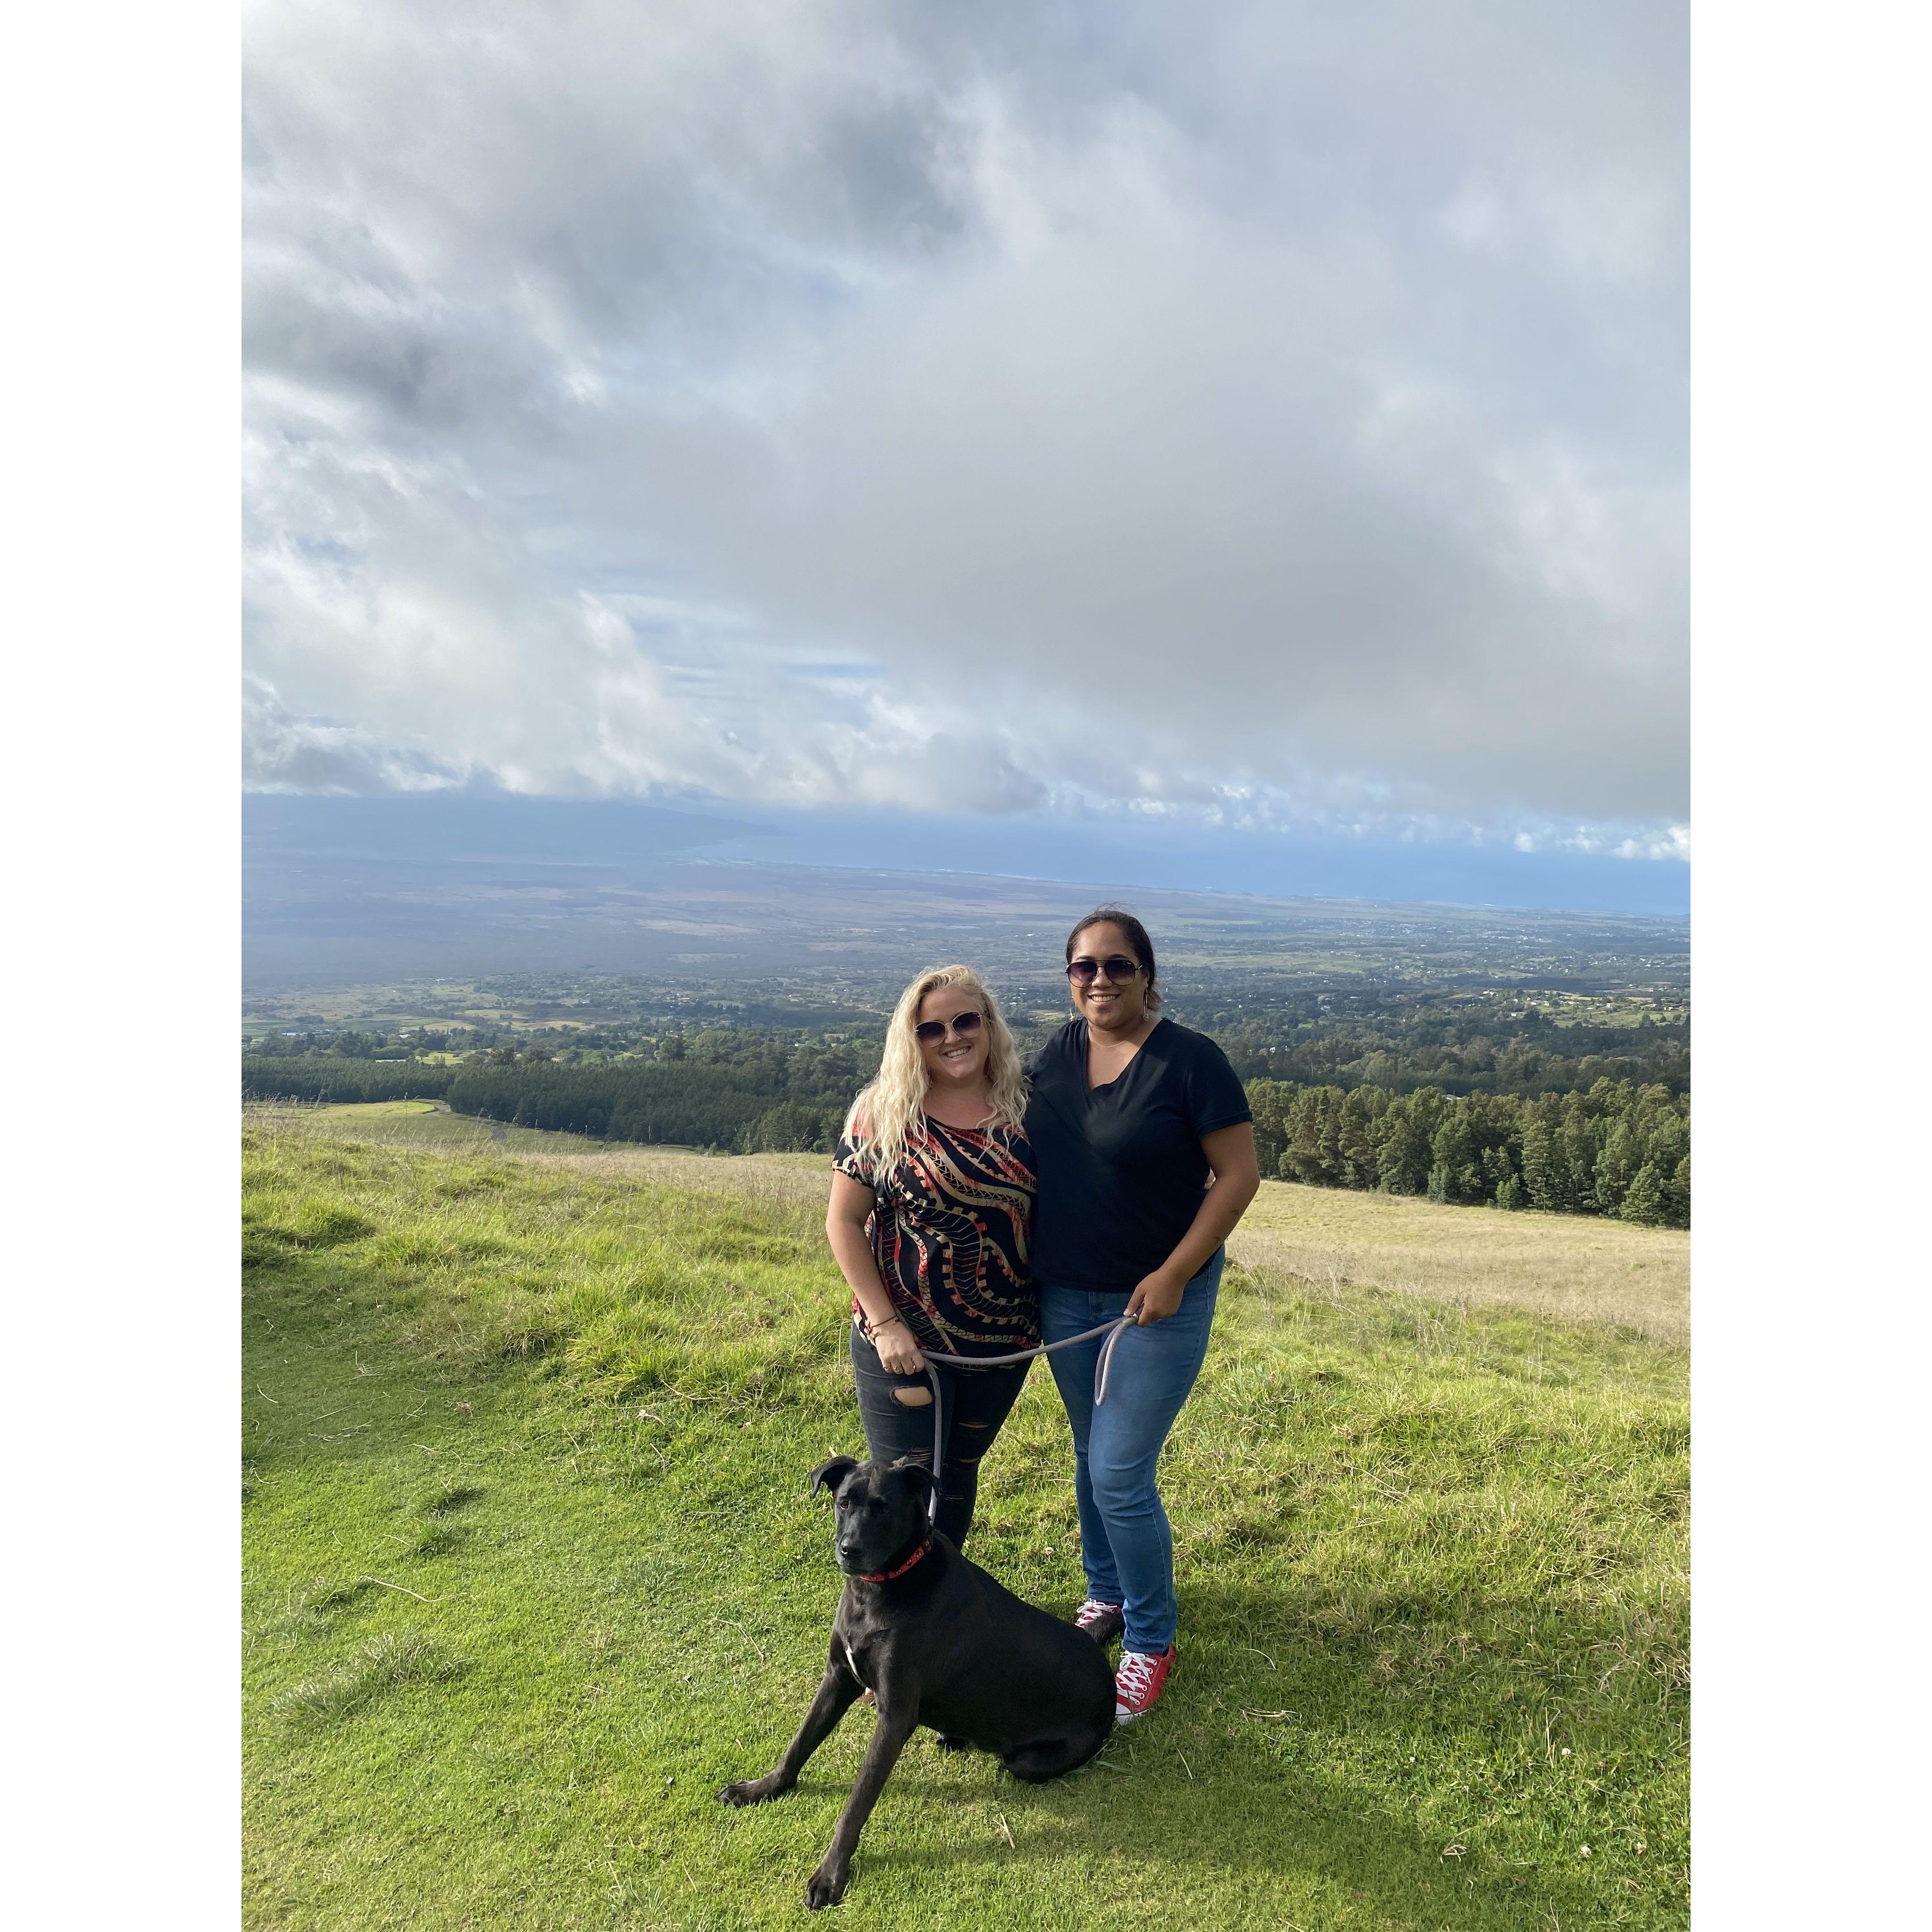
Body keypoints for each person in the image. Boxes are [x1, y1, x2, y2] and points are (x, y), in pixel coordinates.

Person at [1026, 908, 1260, 1724]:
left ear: (1146, 973)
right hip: (1066, 1294)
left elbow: (1237, 1176)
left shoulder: (1192, 1062)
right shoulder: (1056, 1052)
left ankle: (1151, 1640)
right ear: (1068, 976)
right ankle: (1106, 1592)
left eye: (1117, 966)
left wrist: (1173, 1272)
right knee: (1090, 1452)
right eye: (1083, 967)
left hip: (1156, 1302)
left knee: (1120, 1471)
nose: (1099, 980)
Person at [827, 965, 1038, 1551]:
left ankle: (936, 1611)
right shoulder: (883, 1114)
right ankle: (883, 1615)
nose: (952, 1037)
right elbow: (843, 1222)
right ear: (911, 1040)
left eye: (966, 1020)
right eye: (931, 1028)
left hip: (1002, 1346)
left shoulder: (1029, 1109)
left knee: (956, 1478)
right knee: (899, 1486)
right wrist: (886, 1324)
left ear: (990, 1025)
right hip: (901, 1345)